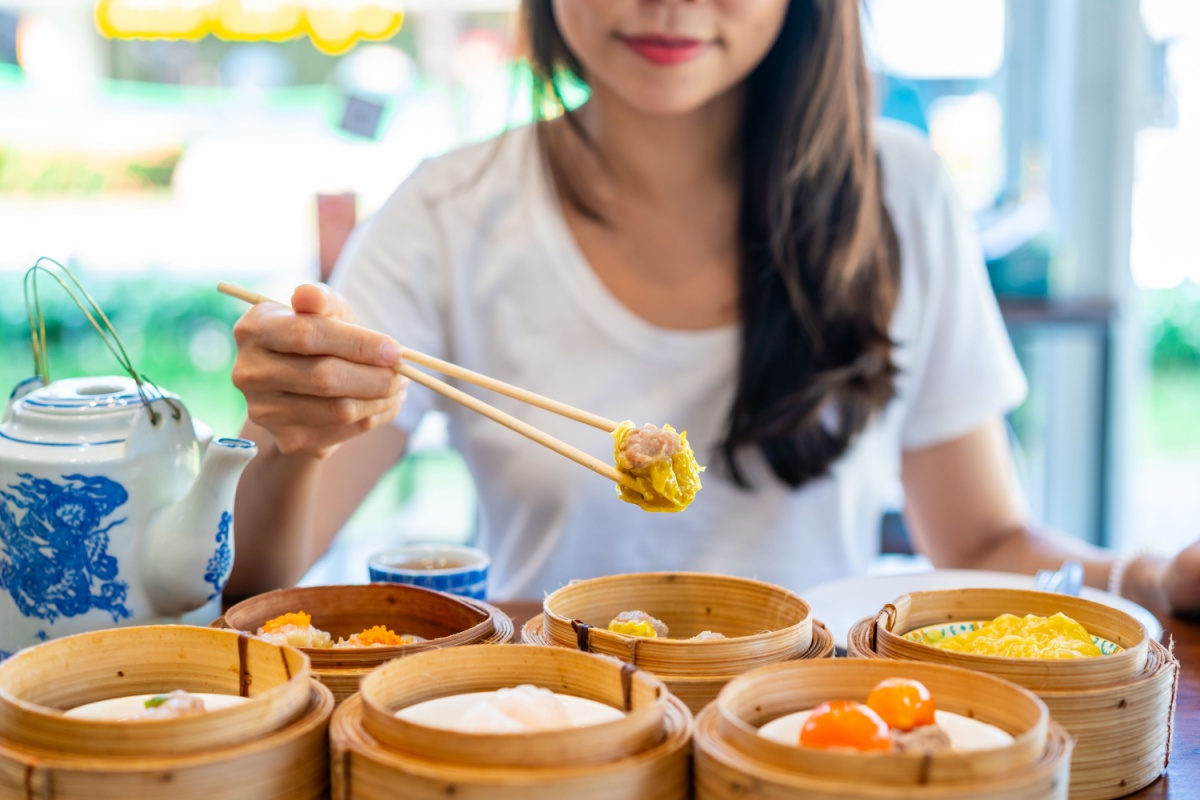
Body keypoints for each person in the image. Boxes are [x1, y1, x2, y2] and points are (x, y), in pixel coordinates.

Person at [226, 0, 1200, 613]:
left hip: (817, 730)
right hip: (553, 724)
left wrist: (1155, 578)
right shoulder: (449, 211)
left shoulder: (896, 191)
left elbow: (985, 543)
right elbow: (253, 582)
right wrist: (291, 437)